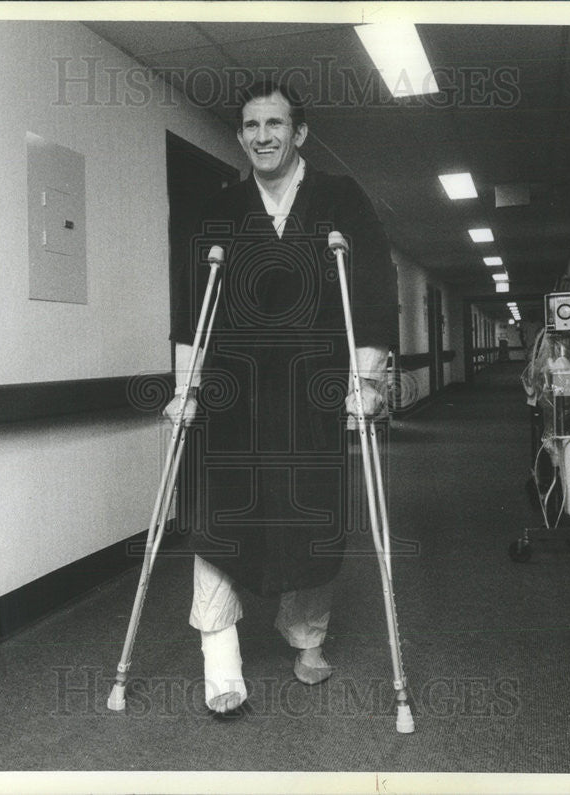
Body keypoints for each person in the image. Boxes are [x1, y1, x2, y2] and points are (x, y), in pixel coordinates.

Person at [166, 79, 399, 713]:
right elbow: (194, 309)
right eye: (249, 126)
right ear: (240, 135)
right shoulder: (222, 207)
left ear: (299, 133)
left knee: (311, 513)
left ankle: (305, 635)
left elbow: (372, 294)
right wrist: (185, 388)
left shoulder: (339, 199)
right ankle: (221, 660)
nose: (261, 136)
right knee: (216, 511)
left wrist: (366, 381)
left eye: (274, 124)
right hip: (231, 392)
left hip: (310, 386)